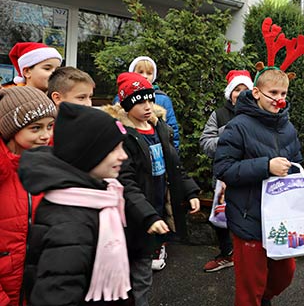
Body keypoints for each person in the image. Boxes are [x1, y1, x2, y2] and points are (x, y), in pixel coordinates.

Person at [103, 72, 200, 306]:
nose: (147, 106)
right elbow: (125, 182)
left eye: (150, 100)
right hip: (132, 217)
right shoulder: (124, 136)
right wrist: (147, 216)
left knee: (143, 274)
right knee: (126, 273)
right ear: (126, 105)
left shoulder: (160, 129)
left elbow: (174, 166)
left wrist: (190, 191)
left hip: (156, 209)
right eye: (140, 102)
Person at [19, 103, 131, 305]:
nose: (123, 155)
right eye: (114, 149)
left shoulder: (101, 197)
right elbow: (57, 295)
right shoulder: (70, 224)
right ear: (88, 154)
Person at [213, 68, 302, 306]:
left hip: (280, 218)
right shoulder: (238, 126)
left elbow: (296, 162)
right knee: (249, 288)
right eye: (273, 92)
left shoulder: (288, 127)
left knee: (285, 274)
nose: (278, 98)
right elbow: (223, 168)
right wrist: (265, 166)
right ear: (256, 93)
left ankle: (264, 298)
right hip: (248, 218)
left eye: (283, 92)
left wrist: (300, 173)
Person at [0, 86, 57, 305]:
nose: (45, 136)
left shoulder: (50, 167)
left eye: (50, 126)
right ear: (10, 130)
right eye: (35, 128)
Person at [200, 69, 253, 272]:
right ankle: (227, 254)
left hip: (248, 176)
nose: (240, 94)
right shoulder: (219, 115)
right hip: (223, 178)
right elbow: (206, 144)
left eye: (245, 89)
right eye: (236, 89)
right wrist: (228, 132)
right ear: (229, 93)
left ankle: (247, 256)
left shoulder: (259, 114)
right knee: (220, 218)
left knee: (248, 217)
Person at [113, 56, 180, 151]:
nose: (145, 76)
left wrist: (173, 153)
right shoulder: (121, 99)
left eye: (149, 73)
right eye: (140, 72)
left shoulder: (163, 99)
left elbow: (172, 130)